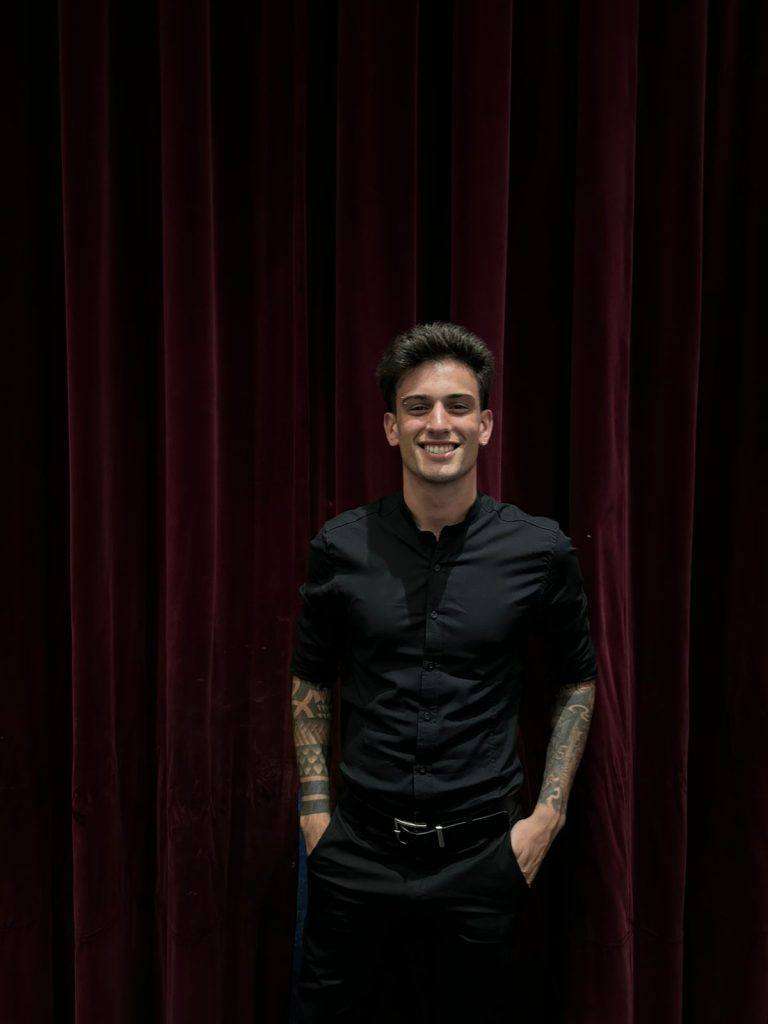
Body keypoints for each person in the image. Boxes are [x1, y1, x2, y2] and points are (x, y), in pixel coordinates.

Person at [289, 321, 598, 1023]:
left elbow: (576, 679)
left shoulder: (540, 550)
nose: (438, 423)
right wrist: (315, 817)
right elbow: (310, 679)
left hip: (484, 858)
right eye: (417, 407)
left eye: (458, 406)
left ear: (484, 425)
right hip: (356, 853)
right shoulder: (341, 547)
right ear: (391, 427)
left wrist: (547, 818)